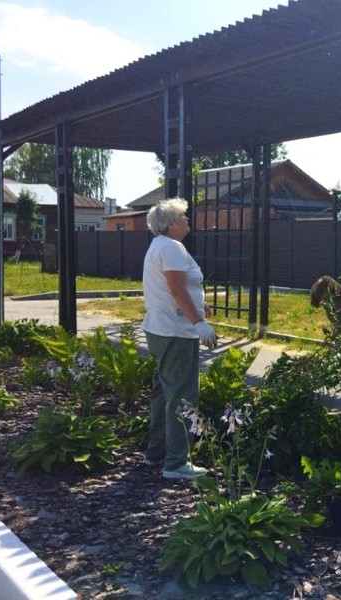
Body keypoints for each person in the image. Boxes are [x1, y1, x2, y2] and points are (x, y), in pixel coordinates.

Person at [141, 198, 218, 480]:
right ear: (172, 222)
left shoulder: (159, 246)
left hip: (161, 328)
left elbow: (178, 287)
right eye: (183, 216)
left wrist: (200, 306)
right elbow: (176, 289)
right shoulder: (172, 248)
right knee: (182, 395)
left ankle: (156, 453)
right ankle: (176, 463)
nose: (188, 219)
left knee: (164, 393)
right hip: (176, 331)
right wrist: (200, 323)